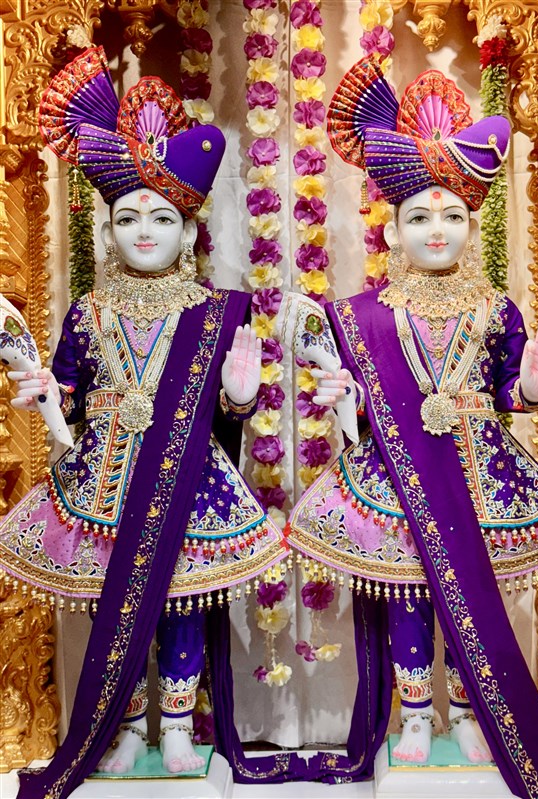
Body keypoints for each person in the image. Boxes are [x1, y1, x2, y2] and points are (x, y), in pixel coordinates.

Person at [286, 56, 538, 799]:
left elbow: (510, 391)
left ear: (472, 225)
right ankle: (418, 714)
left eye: (452, 215)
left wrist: (532, 387)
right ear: (392, 228)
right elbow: (358, 413)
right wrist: (341, 400)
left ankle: (475, 708)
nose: (436, 229)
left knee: (476, 590)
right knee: (408, 595)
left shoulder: (496, 308)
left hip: (480, 473)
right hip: (393, 476)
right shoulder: (361, 316)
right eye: (419, 217)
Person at [0, 46, 288, 798]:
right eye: (128, 217)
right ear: (107, 231)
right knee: (115, 602)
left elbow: (229, 414)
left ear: (189, 231)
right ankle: (126, 726)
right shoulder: (88, 311)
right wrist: (43, 393)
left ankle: (180, 725)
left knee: (181, 601)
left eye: (162, 217)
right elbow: (68, 391)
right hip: (103, 478)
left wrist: (240, 396)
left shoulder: (216, 311)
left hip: (188, 479)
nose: (145, 231)